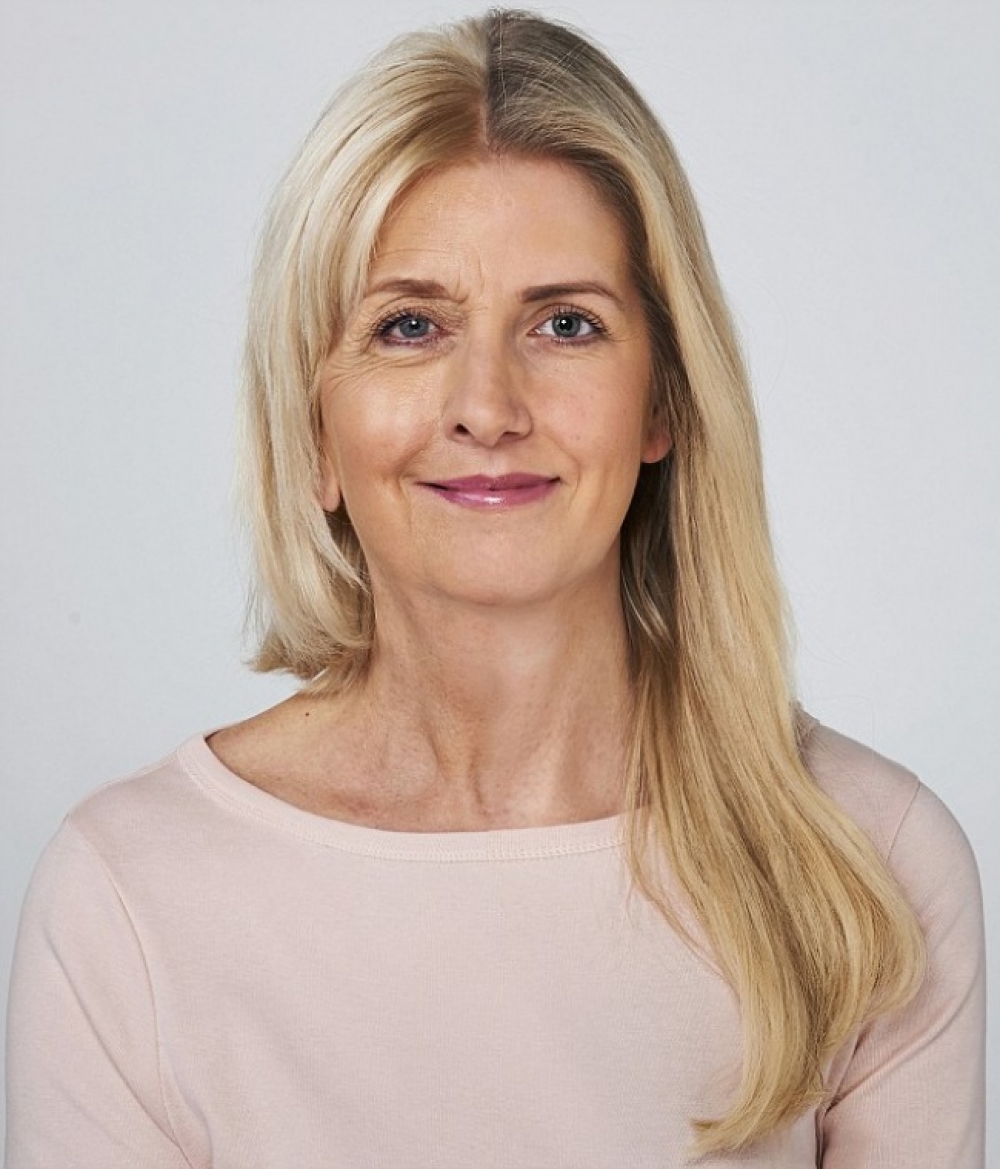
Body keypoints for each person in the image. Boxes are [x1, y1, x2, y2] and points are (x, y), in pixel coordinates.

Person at [4, 10, 985, 1168]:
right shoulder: (130, 897)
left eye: (565, 323)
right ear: (311, 426)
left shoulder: (866, 863)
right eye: (409, 325)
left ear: (664, 399)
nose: (487, 405)